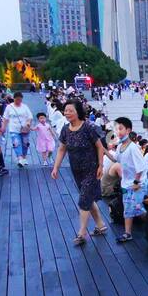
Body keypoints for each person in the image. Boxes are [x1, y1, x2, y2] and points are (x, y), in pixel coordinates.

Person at [51, 99, 109, 247]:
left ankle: (82, 232)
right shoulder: (65, 129)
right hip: (76, 171)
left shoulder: (88, 127)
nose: (67, 113)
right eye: (66, 110)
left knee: (84, 200)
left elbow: (100, 147)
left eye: (70, 110)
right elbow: (62, 149)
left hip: (92, 169)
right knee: (88, 198)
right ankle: (101, 225)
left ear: (78, 111)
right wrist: (55, 167)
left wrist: (101, 165)